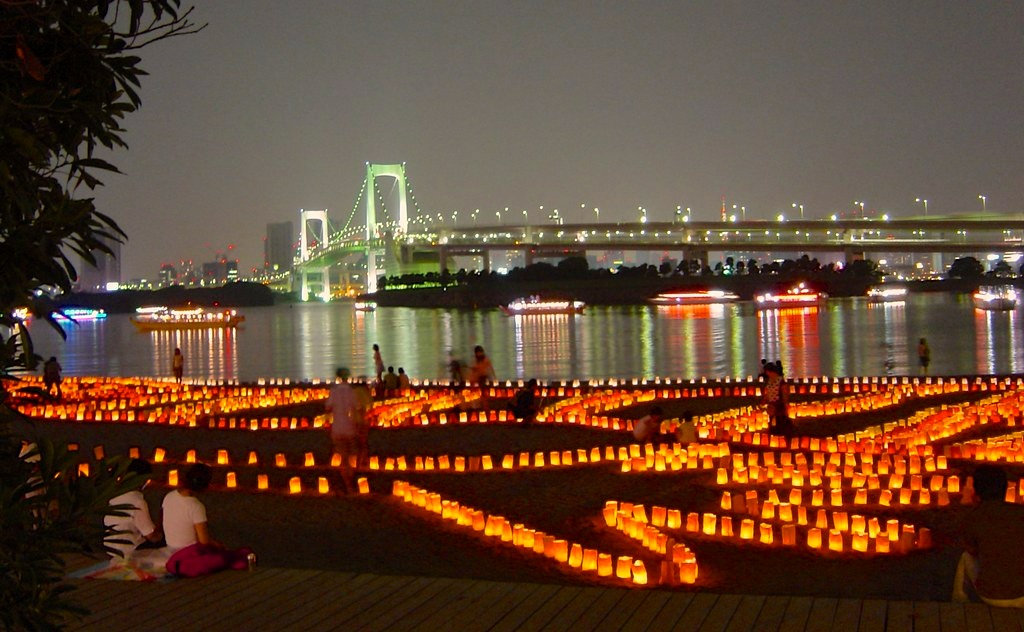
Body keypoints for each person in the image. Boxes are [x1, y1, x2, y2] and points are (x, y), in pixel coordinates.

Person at [162, 463, 251, 576]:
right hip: (189, 552)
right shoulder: (195, 506)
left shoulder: (169, 496)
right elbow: (204, 541)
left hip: (171, 546)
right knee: (229, 556)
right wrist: (217, 545)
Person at [954, 464, 1024, 606]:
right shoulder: (1020, 513)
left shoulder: (974, 517)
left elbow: (972, 550)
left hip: (991, 596)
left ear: (976, 491)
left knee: (965, 558)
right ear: (1005, 489)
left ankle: (959, 603)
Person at [105, 459, 162, 559]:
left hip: (110, 547)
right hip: (128, 550)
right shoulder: (137, 502)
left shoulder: (115, 494)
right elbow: (150, 535)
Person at [325, 367, 359, 494]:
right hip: (349, 427)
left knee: (343, 457)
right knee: (350, 456)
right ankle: (349, 481)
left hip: (338, 428)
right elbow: (356, 407)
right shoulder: (351, 392)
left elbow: (328, 407)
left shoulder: (334, 392)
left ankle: (346, 482)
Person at [762, 362, 790, 433]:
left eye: (767, 372)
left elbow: (785, 394)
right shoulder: (770, 381)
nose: (767, 374)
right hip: (771, 406)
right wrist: (765, 399)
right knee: (772, 423)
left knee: (780, 422)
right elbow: (768, 392)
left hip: (779, 406)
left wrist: (786, 405)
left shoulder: (781, 382)